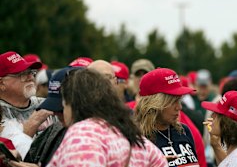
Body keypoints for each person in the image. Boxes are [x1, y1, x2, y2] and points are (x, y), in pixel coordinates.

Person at [9, 68, 168, 167]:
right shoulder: (130, 135)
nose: (60, 112)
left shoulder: (83, 133)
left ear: (76, 103)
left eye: (64, 104)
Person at [134, 68, 202, 167]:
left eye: (179, 100)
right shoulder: (138, 139)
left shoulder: (184, 131)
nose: (179, 107)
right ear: (155, 103)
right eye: (173, 101)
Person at [23, 66, 81, 166]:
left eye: (61, 108)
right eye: (53, 108)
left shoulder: (92, 138)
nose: (55, 113)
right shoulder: (54, 130)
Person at [0, 51, 52, 158]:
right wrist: (33, 123)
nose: (30, 77)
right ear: (1, 84)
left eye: (31, 72)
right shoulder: (0, 114)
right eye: (22, 74)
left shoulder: (46, 104)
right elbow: (10, 156)